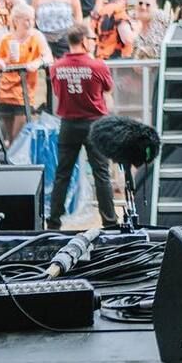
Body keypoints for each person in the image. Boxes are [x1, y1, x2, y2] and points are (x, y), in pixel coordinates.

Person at [46, 24, 119, 230]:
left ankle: (53, 221)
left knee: (63, 174)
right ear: (85, 41)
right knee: (101, 173)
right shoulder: (97, 65)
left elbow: (58, 93)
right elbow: (108, 88)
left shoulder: (56, 67)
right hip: (94, 123)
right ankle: (110, 221)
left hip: (68, 123)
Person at [0, 3, 53, 143]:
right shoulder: (6, 39)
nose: (30, 23)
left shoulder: (36, 36)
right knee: (10, 137)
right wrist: (5, 61)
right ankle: (11, 162)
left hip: (25, 93)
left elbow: (48, 57)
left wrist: (36, 63)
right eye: (26, 19)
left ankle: (17, 163)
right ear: (16, 21)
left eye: (32, 19)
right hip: (5, 92)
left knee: (19, 136)